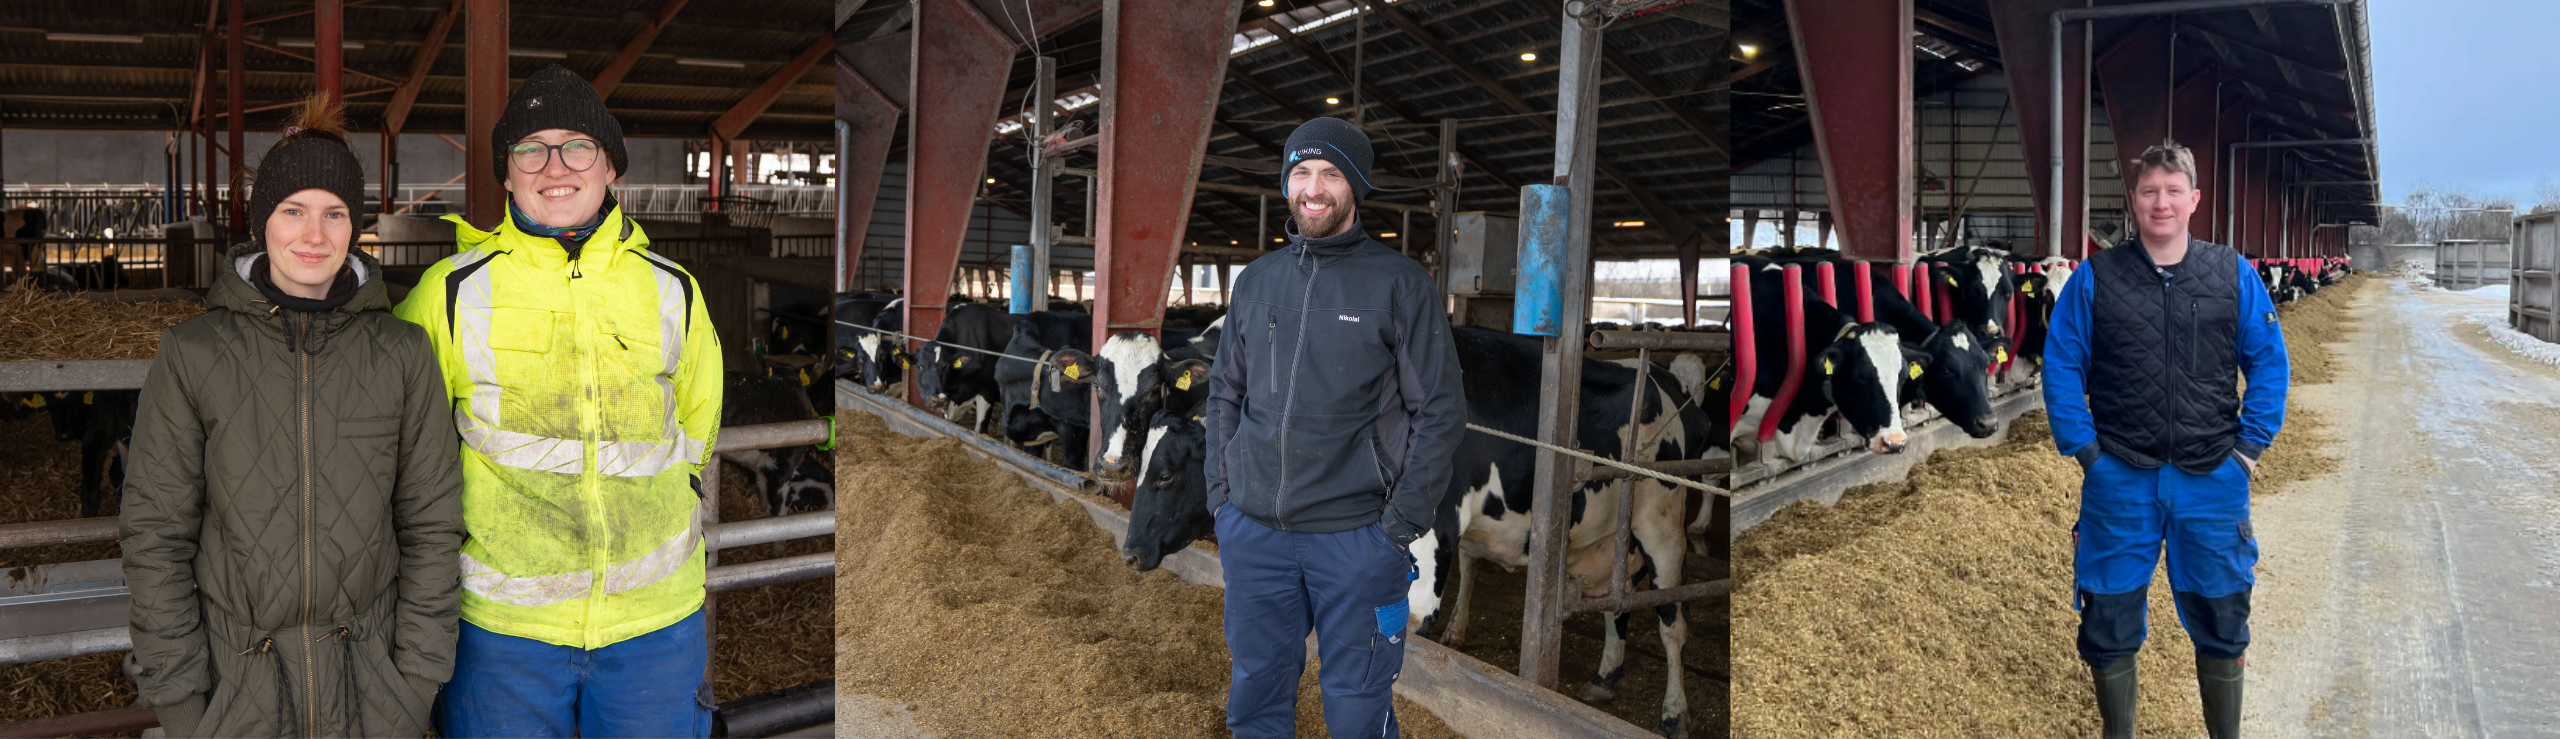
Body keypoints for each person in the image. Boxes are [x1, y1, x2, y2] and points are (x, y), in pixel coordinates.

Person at [392, 64, 722, 738]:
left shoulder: (673, 290)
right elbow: (403, 446)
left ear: (611, 167)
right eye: (530, 149)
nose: (554, 167)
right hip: (501, 630)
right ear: (506, 176)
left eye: (578, 146)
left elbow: (697, 426)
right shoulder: (450, 294)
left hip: (654, 626)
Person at [121, 94, 463, 738]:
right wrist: (183, 702)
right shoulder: (194, 352)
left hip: (372, 694)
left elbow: (432, 526)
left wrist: (415, 682)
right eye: (293, 211)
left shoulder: (402, 352)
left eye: (335, 213)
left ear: (354, 225)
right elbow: (155, 535)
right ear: (262, 224)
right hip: (235, 691)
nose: (314, 235)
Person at [1201, 116, 1466, 738]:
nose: (1313, 188)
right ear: (1286, 182)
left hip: (1356, 538)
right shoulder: (1257, 280)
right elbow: (1224, 393)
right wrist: (1222, 498)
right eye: (1301, 172)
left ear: (1356, 186)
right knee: (1256, 693)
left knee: (1356, 705)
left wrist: (1399, 524)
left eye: (1330, 174)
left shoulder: (1400, 284)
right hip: (1254, 534)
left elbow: (1440, 410)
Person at [2043, 141, 2290, 739]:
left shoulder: (2232, 274)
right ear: (2134, 200)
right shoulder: (2096, 278)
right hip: (2120, 474)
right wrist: (2087, 453)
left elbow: (2269, 362)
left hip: (2213, 475)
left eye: (2173, 191)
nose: (2162, 203)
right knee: (2108, 612)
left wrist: (2247, 450)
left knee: (2224, 611)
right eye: (2150, 191)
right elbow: (2061, 365)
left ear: (2194, 199)